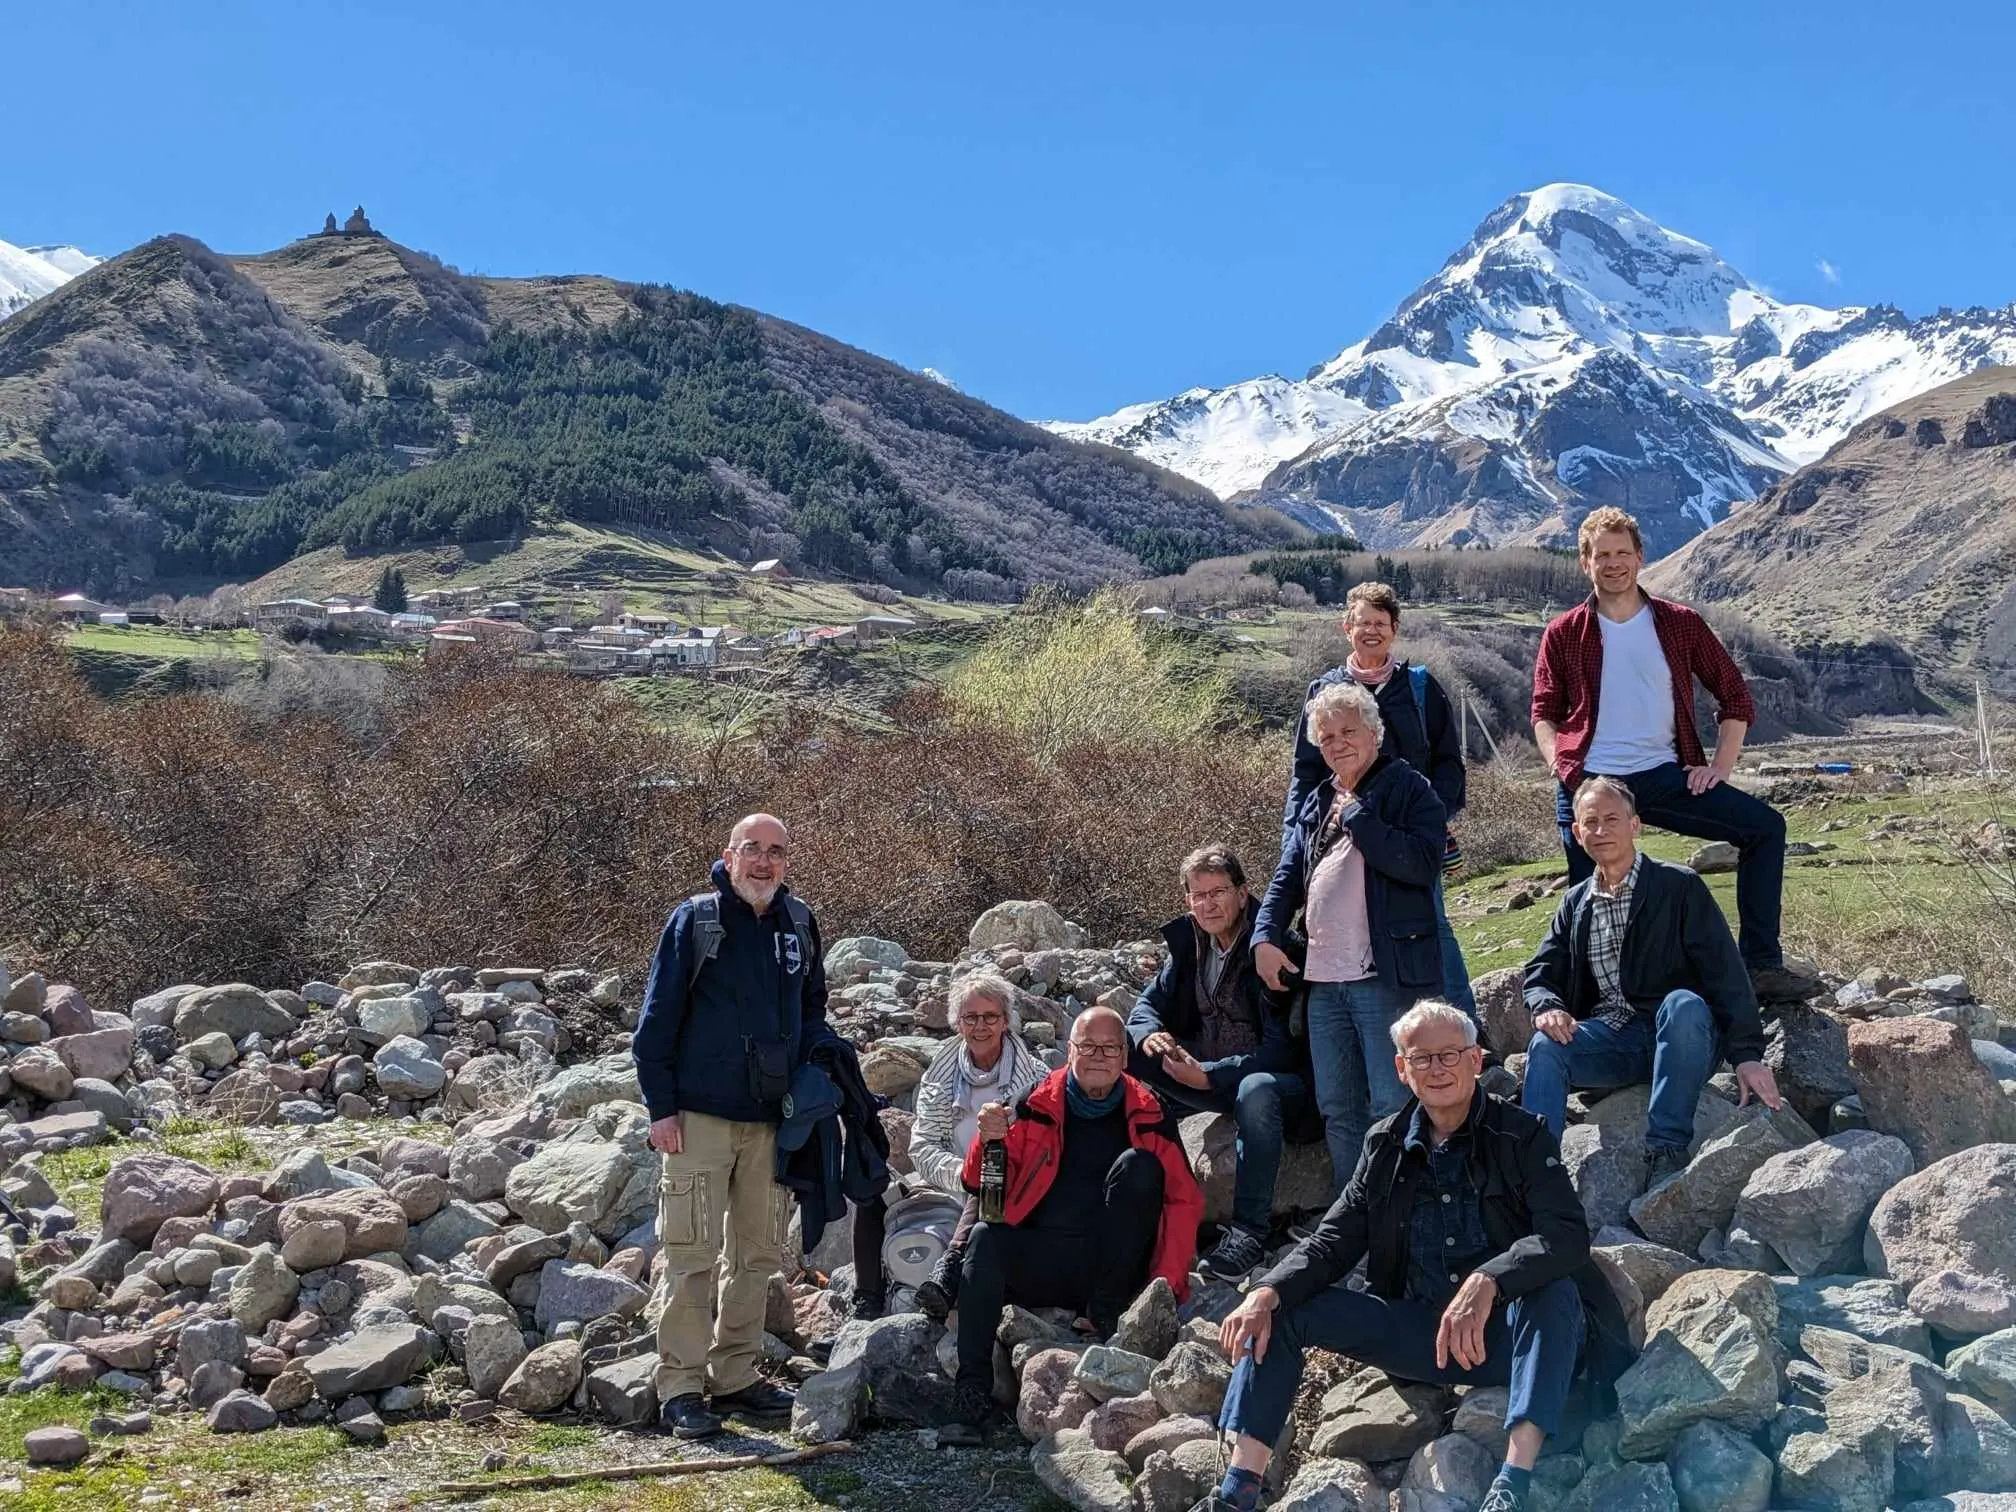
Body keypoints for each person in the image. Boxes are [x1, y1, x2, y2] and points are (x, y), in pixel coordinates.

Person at [1197, 1002, 1629, 1512]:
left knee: (1554, 1288)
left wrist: (1490, 1280)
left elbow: (1566, 1237)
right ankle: (1238, 1489)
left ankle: (1513, 1482)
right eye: (1421, 1059)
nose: (1437, 1069)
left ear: (1476, 1059)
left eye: (1449, 1055)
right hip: (1424, 1334)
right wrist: (1266, 1290)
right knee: (1279, 1308)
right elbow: (1332, 1241)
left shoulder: (1523, 1135)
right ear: (1401, 1070)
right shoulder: (1384, 1145)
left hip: (1514, 1338)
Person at [1531, 506, 1815, 1001]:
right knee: (1588, 895)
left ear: (1641, 557)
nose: (1613, 563)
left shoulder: (1680, 624)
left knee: (1765, 828)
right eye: (1602, 555)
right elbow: (1543, 711)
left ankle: (1761, 968)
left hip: (1661, 775)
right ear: (1585, 563)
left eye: (1623, 553)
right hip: (1590, 783)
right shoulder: (1564, 632)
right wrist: (1559, 763)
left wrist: (1719, 768)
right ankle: (1590, 1006)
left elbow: (1734, 695)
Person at [633, 813, 837, 1439]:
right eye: (754, 850)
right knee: (691, 1256)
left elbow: (812, 1013)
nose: (764, 863)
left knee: (756, 1257)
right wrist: (660, 1109)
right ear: (728, 854)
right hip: (697, 1121)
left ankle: (737, 1376)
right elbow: (656, 1022)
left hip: (771, 1125)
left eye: (777, 853)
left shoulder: (798, 925)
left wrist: (821, 1087)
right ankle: (680, 1387)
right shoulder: (695, 920)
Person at [938, 1005, 1204, 1448]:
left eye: (1109, 1048)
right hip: (1043, 1257)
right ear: (1069, 1050)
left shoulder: (1151, 1111)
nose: (1098, 1056)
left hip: (1113, 1273)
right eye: (1087, 1046)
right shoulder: (1033, 1104)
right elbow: (981, 1186)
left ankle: (1105, 1315)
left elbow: (1184, 1201)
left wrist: (1164, 1289)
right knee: (986, 1237)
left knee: (1140, 1167)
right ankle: (971, 1392)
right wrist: (986, 1140)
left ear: (1124, 1056)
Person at [1520, 776, 1783, 1190]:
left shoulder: (1678, 886)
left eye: (1612, 819)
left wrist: (1747, 1054)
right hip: (1615, 1042)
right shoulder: (1575, 903)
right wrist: (1545, 1006)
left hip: (1685, 1038)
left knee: (1682, 1004)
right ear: (1577, 831)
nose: (1602, 830)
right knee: (1546, 1045)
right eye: (1591, 822)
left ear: (1635, 825)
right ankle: (1537, 1178)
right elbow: (1540, 973)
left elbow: (1725, 972)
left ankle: (1666, 1149)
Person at [1256, 681, 1446, 1190]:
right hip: (1322, 981)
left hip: (1382, 977)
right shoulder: (1318, 800)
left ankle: (1397, 1212)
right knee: (1337, 1107)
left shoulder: (1410, 789)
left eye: (1348, 731)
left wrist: (1361, 817)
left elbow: (1423, 864)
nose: (1337, 744)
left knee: (1391, 1101)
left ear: (1375, 732)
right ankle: (1352, 1220)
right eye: (1327, 736)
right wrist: (1265, 936)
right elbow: (1287, 875)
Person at [1286, 580, 1477, 1023]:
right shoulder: (1324, 692)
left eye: (1380, 623)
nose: (1371, 631)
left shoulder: (1420, 689)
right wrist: (1296, 835)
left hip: (1407, 840)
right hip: (1339, 835)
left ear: (1394, 629)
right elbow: (1306, 772)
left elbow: (1449, 761)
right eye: (1362, 623)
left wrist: (1433, 815)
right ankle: (1389, 1032)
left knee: (1432, 929)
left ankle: (1462, 1032)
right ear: (1346, 627)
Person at [1126, 842, 1313, 1280]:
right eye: (1198, 895)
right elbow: (1143, 1008)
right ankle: (1147, 1210)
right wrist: (1151, 1034)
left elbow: (1281, 1052)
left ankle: (1249, 1232)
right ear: (1187, 900)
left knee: (1256, 1089)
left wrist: (1208, 1076)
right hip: (1211, 1083)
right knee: (1124, 1050)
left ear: (1243, 893)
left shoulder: (1273, 947)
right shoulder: (1192, 946)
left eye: (1218, 892)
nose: (1208, 904)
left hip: (1282, 1090)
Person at [908, 971, 1048, 1321]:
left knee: (995, 1169)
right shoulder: (938, 1080)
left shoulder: (1037, 1078)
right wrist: (963, 1176)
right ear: (958, 1023)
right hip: (950, 1188)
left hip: (1017, 1192)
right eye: (971, 1017)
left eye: (990, 1017)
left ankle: (952, 1279)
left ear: (1006, 1021)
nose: (981, 1026)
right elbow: (922, 1146)